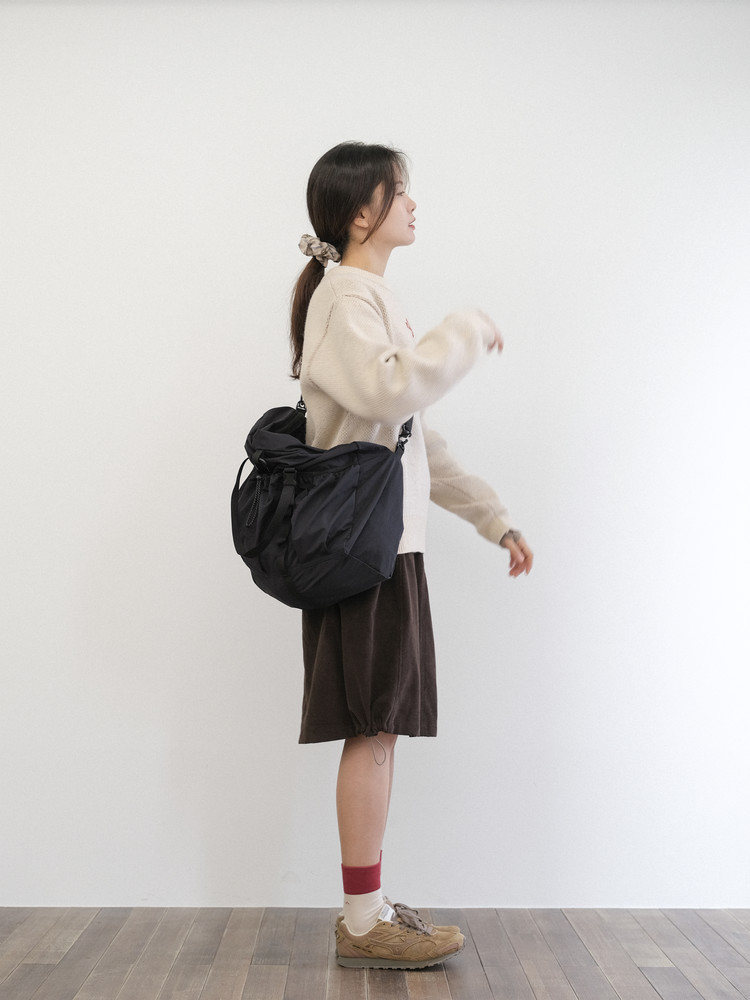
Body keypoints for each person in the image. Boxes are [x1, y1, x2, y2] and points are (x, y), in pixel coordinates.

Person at [290, 141, 533, 971]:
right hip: (364, 552)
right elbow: (392, 389)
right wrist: (464, 329)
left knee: (380, 729)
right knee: (371, 727)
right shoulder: (343, 298)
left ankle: (370, 910)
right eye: (401, 192)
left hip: (386, 548)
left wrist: (493, 517)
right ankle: (363, 921)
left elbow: (413, 436)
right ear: (362, 213)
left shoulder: (366, 297)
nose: (413, 204)